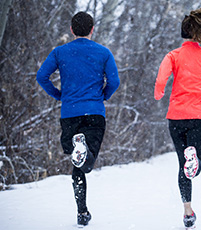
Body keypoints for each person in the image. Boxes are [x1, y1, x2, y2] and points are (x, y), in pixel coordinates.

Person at [36, 12, 120, 227]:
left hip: (70, 113)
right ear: (92, 29)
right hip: (94, 112)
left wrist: (59, 95)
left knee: (76, 162)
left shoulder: (60, 52)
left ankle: (82, 213)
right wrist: (104, 95)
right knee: (85, 163)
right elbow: (114, 81)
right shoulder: (103, 52)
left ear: (72, 30)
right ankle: (82, 151)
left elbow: (41, 77)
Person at [154, 6, 201, 229]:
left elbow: (161, 80)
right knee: (194, 166)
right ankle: (193, 156)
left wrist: (159, 93)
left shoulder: (173, 55)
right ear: (200, 33)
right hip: (200, 115)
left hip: (177, 115)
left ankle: (188, 212)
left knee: (183, 166)